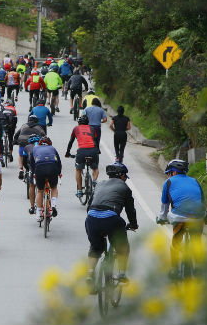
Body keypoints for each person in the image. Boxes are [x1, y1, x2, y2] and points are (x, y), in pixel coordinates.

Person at [85, 163, 138, 291]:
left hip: (91, 218)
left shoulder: (99, 184)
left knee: (95, 247)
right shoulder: (125, 188)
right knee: (122, 247)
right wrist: (133, 224)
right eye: (125, 177)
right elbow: (130, 210)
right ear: (122, 176)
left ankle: (90, 274)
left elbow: (89, 206)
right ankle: (121, 275)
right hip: (111, 219)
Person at [156, 159, 207, 279]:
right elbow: (203, 202)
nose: (169, 175)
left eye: (169, 173)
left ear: (173, 172)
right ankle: (198, 268)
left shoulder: (168, 182)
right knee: (197, 242)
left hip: (180, 217)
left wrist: (162, 218)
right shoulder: (195, 181)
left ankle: (174, 269)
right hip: (198, 217)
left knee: (176, 241)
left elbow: (165, 205)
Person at [65, 115, 99, 198]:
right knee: (95, 168)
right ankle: (94, 181)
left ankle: (79, 191)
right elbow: (95, 140)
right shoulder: (92, 128)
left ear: (79, 123)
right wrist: (98, 150)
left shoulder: (76, 128)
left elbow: (71, 142)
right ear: (88, 122)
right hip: (93, 150)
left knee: (78, 170)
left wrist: (68, 152)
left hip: (82, 151)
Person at [30, 136, 62, 222]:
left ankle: (39, 213)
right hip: (52, 167)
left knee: (40, 191)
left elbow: (32, 163)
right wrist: (59, 173)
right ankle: (54, 205)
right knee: (54, 187)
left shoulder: (35, 148)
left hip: (39, 168)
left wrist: (33, 173)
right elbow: (59, 162)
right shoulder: (52, 148)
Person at [13, 115, 45, 180]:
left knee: (21, 155)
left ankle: (21, 169)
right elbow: (44, 136)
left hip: (22, 141)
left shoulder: (24, 125)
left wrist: (15, 142)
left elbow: (16, 135)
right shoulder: (39, 127)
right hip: (33, 143)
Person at [22, 134, 41, 215]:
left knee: (32, 185)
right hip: (43, 166)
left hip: (32, 168)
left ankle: (32, 207)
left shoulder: (27, 147)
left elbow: (24, 161)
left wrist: (27, 169)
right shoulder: (42, 146)